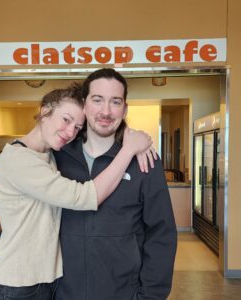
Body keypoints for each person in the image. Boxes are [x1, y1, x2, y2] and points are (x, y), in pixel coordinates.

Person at [0, 83, 154, 300]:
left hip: (44, 282)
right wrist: (129, 149)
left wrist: (135, 138)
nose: (70, 132)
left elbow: (27, 214)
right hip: (17, 286)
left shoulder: (49, 155)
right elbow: (84, 197)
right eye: (66, 119)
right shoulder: (19, 159)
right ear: (45, 112)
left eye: (77, 127)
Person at [52, 68, 177, 300]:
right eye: (97, 100)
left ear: (125, 108)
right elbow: (29, 209)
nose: (106, 111)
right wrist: (1, 244)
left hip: (123, 293)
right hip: (63, 292)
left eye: (115, 102)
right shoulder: (56, 157)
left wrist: (150, 296)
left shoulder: (145, 161)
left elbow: (161, 234)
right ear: (84, 104)